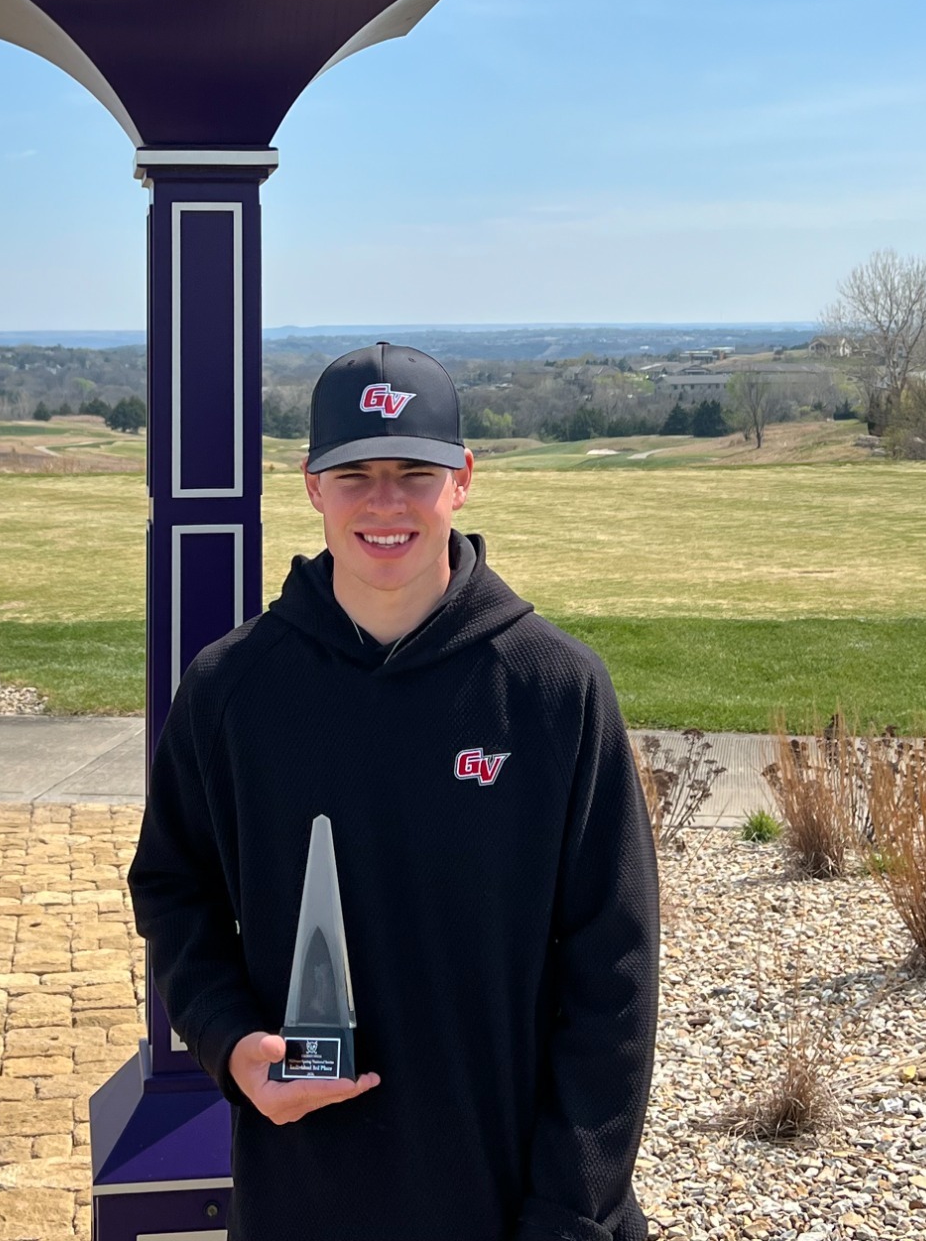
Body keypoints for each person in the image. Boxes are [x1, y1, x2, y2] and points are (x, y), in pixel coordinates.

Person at [128, 342, 658, 1241]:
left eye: (415, 472)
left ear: (464, 478)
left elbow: (614, 967)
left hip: (510, 1202)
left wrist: (571, 1209)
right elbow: (174, 889)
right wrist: (228, 1040)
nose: (385, 502)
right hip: (303, 1194)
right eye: (355, 474)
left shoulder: (550, 688)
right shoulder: (232, 691)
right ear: (310, 486)